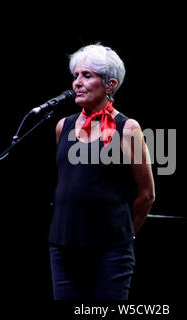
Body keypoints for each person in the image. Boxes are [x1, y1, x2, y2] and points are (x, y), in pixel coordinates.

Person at [48, 44, 155, 300]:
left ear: (110, 85)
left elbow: (146, 195)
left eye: (87, 76)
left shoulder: (127, 128)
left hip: (110, 250)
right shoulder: (63, 126)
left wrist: (123, 235)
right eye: (75, 76)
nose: (77, 83)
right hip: (63, 246)